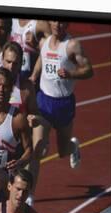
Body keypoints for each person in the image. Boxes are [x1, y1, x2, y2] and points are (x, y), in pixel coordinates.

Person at [0, 41, 50, 204]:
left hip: (14, 140)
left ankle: (28, 194)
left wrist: (31, 117)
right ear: (2, 60)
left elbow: (34, 112)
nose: (11, 67)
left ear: (20, 64)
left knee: (35, 149)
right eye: (8, 62)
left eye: (15, 63)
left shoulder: (26, 88)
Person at [30, 20, 93, 169]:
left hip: (63, 104)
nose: (57, 25)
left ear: (67, 24)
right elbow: (42, 58)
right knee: (38, 150)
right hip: (43, 101)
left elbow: (89, 70)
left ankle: (73, 147)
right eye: (54, 21)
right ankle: (30, 191)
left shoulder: (72, 45)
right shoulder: (44, 42)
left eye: (62, 22)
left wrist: (70, 73)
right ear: (50, 22)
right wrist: (34, 75)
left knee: (63, 151)